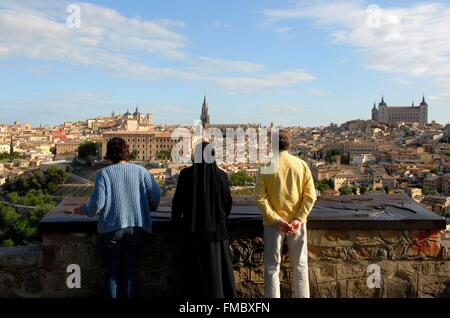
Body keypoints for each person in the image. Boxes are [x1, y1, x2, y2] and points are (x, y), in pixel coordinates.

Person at [74, 137, 161, 298]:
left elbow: (97, 205)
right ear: (126, 153)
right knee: (130, 273)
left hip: (111, 228)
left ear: (109, 155)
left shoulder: (104, 174)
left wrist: (84, 209)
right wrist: (149, 208)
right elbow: (156, 194)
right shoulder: (141, 171)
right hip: (137, 226)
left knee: (112, 273)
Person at [255, 130, 317, 298]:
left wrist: (276, 220)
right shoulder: (301, 165)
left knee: (272, 268)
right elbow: (311, 196)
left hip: (272, 225)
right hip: (297, 223)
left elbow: (260, 199)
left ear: (272, 145)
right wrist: (298, 218)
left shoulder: (265, 167)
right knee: (300, 265)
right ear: (290, 145)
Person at [172, 141, 236, 298]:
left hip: (192, 232)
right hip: (217, 234)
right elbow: (227, 204)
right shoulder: (222, 176)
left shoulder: (185, 175)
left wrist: (176, 220)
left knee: (194, 278)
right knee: (217, 276)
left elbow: (178, 204)